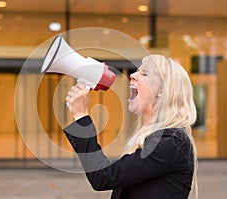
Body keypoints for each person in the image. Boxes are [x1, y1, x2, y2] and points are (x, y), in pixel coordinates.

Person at [64, 54, 198, 199]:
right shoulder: (159, 139)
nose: (133, 75)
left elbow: (104, 176)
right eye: (137, 71)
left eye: (144, 74)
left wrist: (81, 117)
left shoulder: (172, 141)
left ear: (162, 91)